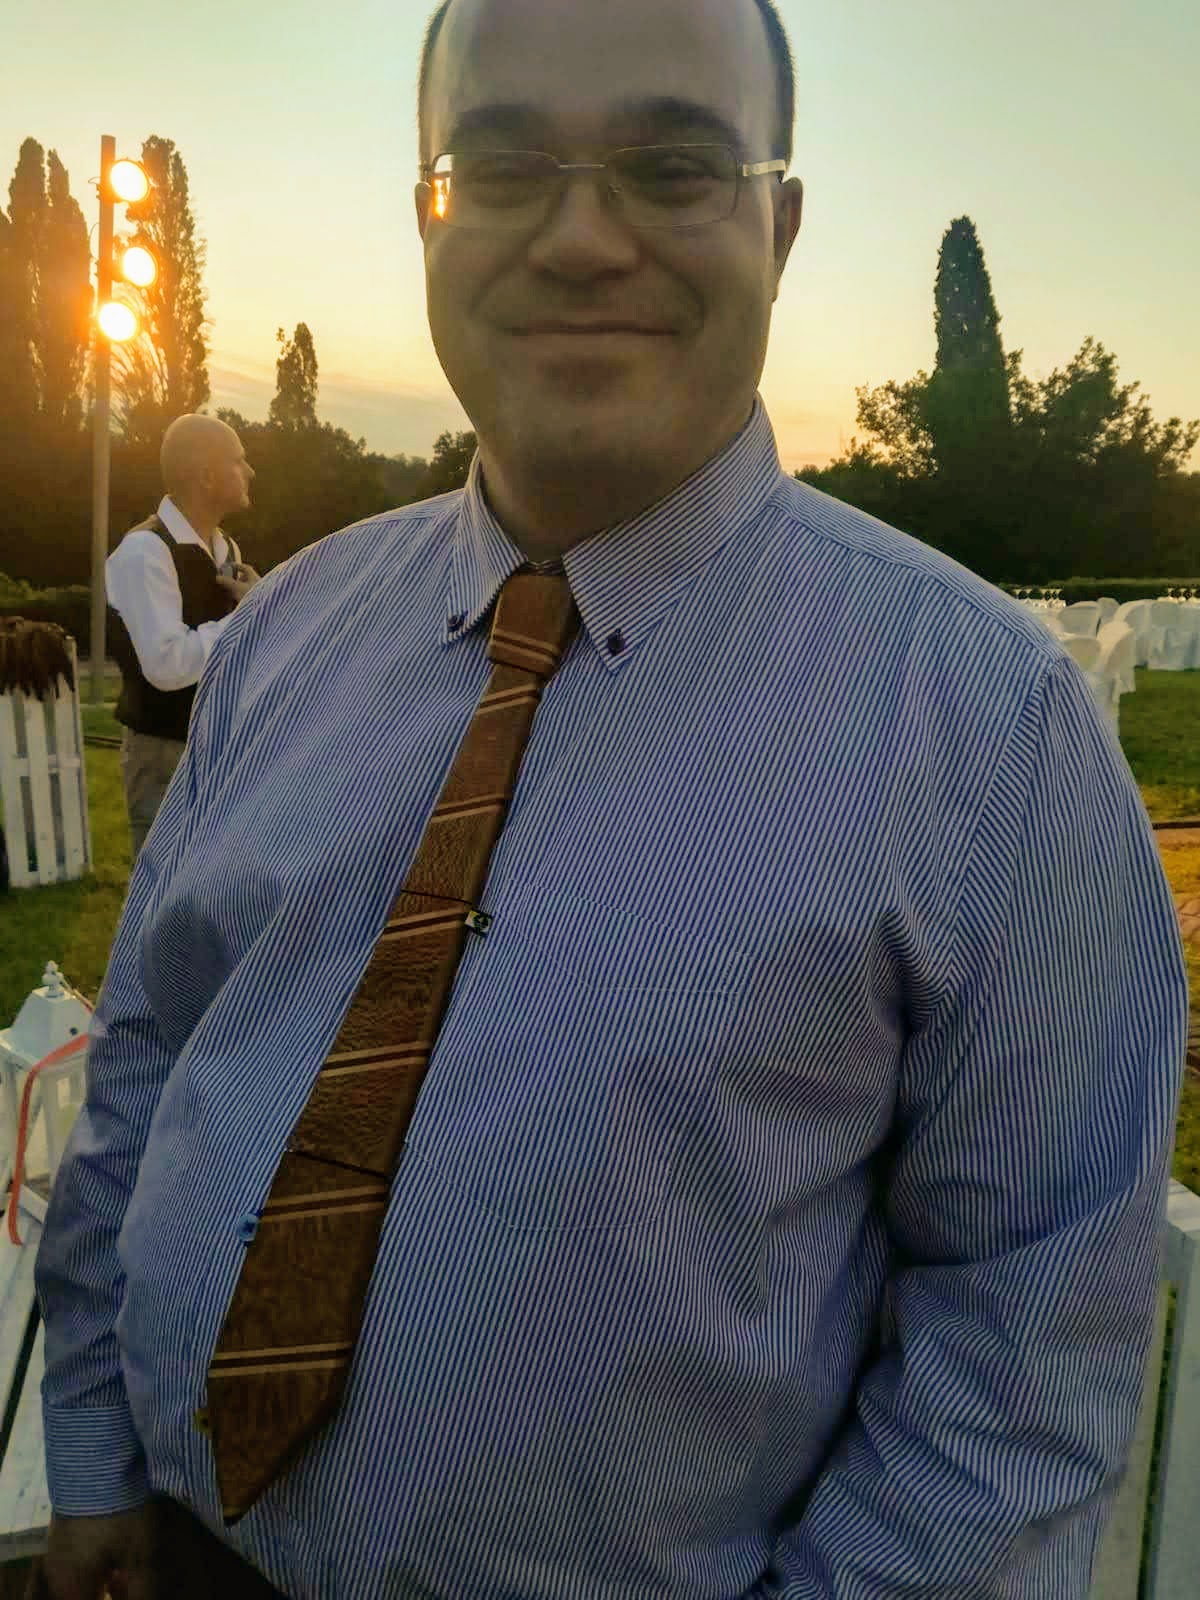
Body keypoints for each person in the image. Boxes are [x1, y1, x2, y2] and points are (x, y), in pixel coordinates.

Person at [32, 0, 1187, 1595]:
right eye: (504, 167)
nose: (580, 239)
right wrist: (95, 1446)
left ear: (780, 225)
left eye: (673, 164)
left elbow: (1020, 1356)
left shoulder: (994, 736)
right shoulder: (289, 637)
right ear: (430, 215)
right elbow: (156, 1058)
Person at [105, 413, 259, 856]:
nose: (250, 471)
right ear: (207, 476)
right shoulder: (144, 552)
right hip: (163, 754)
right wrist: (251, 613)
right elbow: (167, 666)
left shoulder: (226, 547)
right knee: (162, 886)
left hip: (219, 746)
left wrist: (259, 600)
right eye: (238, 461)